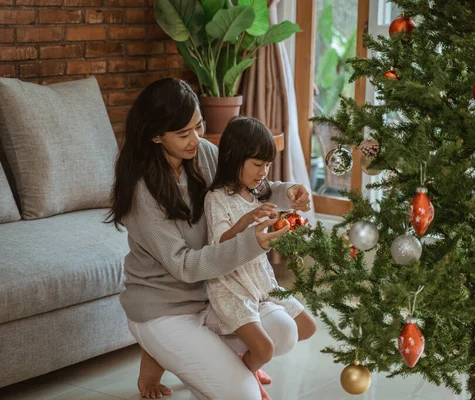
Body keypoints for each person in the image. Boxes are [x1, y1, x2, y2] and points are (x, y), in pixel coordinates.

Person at [105, 77, 312, 400]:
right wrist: (251, 242)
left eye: (198, 127)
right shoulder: (141, 190)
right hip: (165, 309)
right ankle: (159, 347)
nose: (195, 139)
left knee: (285, 332)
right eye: (183, 133)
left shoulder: (201, 153)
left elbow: (245, 183)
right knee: (245, 396)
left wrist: (289, 193)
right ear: (156, 135)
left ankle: (179, 357)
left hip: (211, 297)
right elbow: (184, 265)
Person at [204, 116, 317, 376]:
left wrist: (294, 201)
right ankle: (245, 373)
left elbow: (276, 193)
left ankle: (246, 355)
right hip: (233, 287)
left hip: (261, 282)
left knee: (308, 327)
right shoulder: (216, 198)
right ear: (233, 157)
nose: (263, 172)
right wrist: (246, 221)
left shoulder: (256, 190)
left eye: (267, 164)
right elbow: (220, 244)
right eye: (257, 164)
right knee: (264, 351)